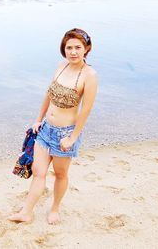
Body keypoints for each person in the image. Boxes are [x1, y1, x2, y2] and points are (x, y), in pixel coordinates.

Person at [8, 28, 98, 224]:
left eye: (77, 47)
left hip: (65, 134)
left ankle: (55, 209)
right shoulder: (61, 66)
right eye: (69, 48)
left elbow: (86, 110)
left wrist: (72, 138)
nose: (73, 52)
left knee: (60, 173)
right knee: (38, 172)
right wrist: (38, 119)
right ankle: (26, 212)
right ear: (63, 49)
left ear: (86, 49)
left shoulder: (89, 75)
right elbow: (48, 94)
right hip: (46, 129)